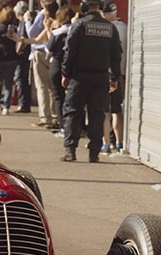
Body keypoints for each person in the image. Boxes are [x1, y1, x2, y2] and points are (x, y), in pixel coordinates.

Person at [60, 0, 121, 163]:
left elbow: (69, 50)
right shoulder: (110, 28)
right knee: (97, 113)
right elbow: (116, 55)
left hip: (79, 77)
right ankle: (94, 152)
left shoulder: (79, 25)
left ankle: (70, 150)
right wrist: (115, 77)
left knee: (73, 112)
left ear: (84, 7)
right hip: (101, 77)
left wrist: (65, 73)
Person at [101, 1, 127, 155]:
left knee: (105, 112)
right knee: (117, 111)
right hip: (120, 75)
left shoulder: (105, 30)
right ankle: (119, 142)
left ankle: (106, 143)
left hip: (103, 75)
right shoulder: (125, 28)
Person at [27, 0, 58, 128]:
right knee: (53, 88)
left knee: (42, 86)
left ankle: (45, 117)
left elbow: (32, 34)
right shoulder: (58, 19)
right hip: (53, 56)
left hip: (41, 52)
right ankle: (55, 116)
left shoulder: (43, 16)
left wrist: (28, 21)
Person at [46, 5, 75, 135]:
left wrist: (48, 30)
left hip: (57, 64)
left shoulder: (57, 32)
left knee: (58, 96)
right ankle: (77, 126)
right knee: (74, 98)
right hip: (75, 66)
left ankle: (63, 126)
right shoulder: (76, 30)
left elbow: (49, 49)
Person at [13, 1, 32, 113]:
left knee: (20, 79)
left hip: (22, 55)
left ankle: (23, 104)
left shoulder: (23, 23)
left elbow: (23, 39)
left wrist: (17, 51)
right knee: (23, 80)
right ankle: (25, 103)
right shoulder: (22, 23)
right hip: (25, 55)